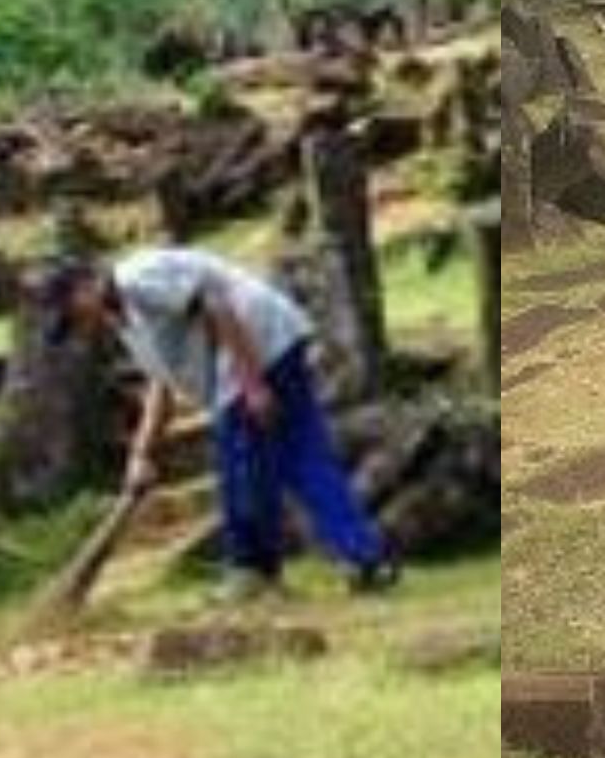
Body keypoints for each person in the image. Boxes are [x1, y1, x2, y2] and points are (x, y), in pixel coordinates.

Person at [35, 247, 399, 601]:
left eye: (72, 315)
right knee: (303, 460)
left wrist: (252, 383)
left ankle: (250, 572)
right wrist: (142, 452)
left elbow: (215, 303)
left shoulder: (135, 279)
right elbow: (161, 386)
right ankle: (368, 559)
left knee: (239, 466)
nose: (79, 327)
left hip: (254, 348)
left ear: (85, 286)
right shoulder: (126, 321)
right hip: (273, 344)